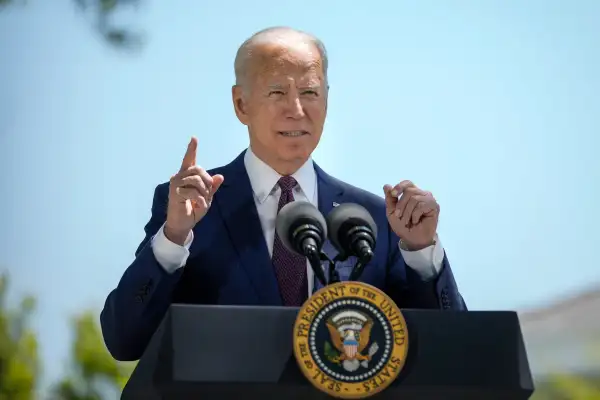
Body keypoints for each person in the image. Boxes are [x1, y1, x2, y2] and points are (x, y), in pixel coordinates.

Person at [100, 26, 467, 362]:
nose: (297, 110)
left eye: (310, 92)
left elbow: (452, 353)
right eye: (278, 92)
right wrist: (174, 239)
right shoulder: (190, 209)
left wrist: (422, 253)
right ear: (241, 104)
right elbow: (125, 340)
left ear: (326, 99)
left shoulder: (373, 219)